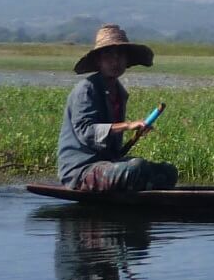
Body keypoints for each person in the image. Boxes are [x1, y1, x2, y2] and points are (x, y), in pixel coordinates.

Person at [56, 24, 177, 191]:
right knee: (136, 168)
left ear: (127, 61)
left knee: (167, 171)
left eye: (120, 56)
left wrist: (136, 131)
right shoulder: (86, 90)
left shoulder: (120, 93)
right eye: (109, 55)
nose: (115, 61)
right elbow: (86, 131)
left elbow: (113, 148)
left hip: (108, 164)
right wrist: (127, 125)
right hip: (81, 170)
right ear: (98, 60)